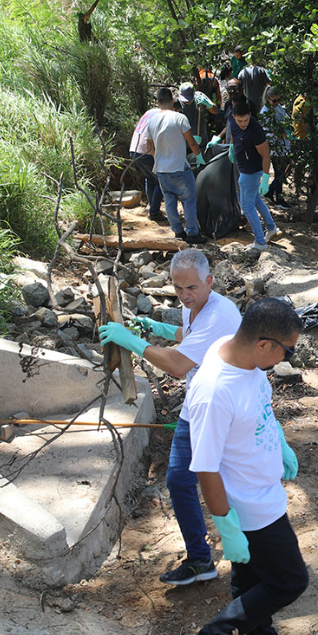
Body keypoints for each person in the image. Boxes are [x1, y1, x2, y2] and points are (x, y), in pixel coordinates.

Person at [179, 298, 310, 635]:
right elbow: (205, 466)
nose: (289, 358)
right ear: (263, 344)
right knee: (289, 581)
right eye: (288, 350)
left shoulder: (243, 357)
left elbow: (259, 407)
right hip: (250, 506)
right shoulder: (214, 391)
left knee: (251, 582)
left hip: (263, 489)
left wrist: (279, 441)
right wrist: (225, 525)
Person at [97, 249, 243, 585]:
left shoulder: (221, 314)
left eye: (191, 288)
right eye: (178, 289)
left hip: (222, 410)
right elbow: (189, 337)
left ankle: (247, 557)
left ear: (209, 281)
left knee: (229, 483)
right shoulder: (194, 305)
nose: (184, 295)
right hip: (197, 405)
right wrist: (154, 327)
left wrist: (132, 341)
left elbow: (178, 365)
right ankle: (200, 559)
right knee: (179, 479)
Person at [145, 87, 208, 244]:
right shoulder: (180, 118)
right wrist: (199, 157)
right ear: (173, 100)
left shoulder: (151, 121)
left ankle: (178, 232)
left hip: (161, 170)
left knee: (169, 201)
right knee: (188, 200)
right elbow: (191, 142)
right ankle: (193, 233)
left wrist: (159, 158)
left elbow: (149, 147)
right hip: (179, 167)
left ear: (157, 102)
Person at [228, 98, 278, 250]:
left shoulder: (255, 130)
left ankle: (260, 242)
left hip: (252, 170)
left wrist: (265, 177)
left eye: (246, 120)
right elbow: (233, 134)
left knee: (247, 205)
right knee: (255, 199)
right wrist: (231, 146)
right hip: (242, 166)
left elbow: (266, 154)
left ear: (250, 115)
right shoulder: (233, 121)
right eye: (240, 121)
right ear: (234, 117)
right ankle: (271, 227)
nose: (243, 124)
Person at [128, 105, 165, 223]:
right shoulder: (163, 116)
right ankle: (154, 212)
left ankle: (152, 207)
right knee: (161, 180)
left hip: (134, 149)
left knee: (150, 178)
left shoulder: (149, 112)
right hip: (147, 151)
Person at [259, 86, 291, 204]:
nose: (277, 103)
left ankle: (270, 191)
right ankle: (279, 198)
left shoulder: (279, 108)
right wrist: (278, 134)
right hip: (274, 146)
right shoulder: (265, 112)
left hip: (283, 144)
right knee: (279, 172)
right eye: (274, 100)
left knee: (282, 172)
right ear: (268, 99)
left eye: (278, 100)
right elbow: (266, 131)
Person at [178, 81, 217, 147]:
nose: (188, 101)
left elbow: (215, 111)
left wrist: (209, 104)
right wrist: (190, 138)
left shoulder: (200, 97)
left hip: (202, 142)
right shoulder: (177, 104)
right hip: (185, 145)